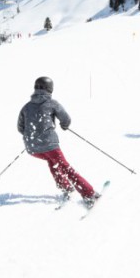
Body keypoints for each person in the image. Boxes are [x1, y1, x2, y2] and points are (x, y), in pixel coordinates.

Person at [17, 76, 99, 206]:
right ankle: (89, 194)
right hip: (49, 145)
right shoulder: (52, 103)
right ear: (50, 89)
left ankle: (66, 187)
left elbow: (20, 127)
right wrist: (64, 126)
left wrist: (33, 135)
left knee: (53, 162)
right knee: (65, 167)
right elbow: (66, 119)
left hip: (32, 148)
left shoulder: (26, 107)